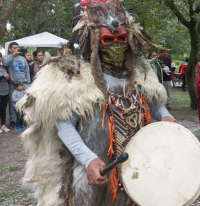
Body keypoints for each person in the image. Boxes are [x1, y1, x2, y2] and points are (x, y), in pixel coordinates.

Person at [17, 0, 177, 205]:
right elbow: (64, 125)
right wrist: (88, 159)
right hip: (97, 171)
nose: (117, 45)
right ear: (93, 40)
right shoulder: (75, 76)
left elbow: (153, 103)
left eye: (121, 38)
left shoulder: (141, 72)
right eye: (109, 40)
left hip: (140, 165)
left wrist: (165, 115)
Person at [2, 42, 30, 128]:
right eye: (14, 48)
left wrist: (28, 83)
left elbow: (26, 71)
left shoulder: (22, 59)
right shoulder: (6, 57)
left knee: (26, 102)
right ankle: (13, 121)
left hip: (24, 83)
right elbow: (6, 64)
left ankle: (25, 120)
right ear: (10, 49)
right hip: (12, 84)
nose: (17, 49)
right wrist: (13, 55)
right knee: (12, 103)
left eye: (18, 47)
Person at [0, 52, 10, 133]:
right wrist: (3, 76)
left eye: (0, 57)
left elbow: (8, 77)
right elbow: (4, 76)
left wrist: (8, 77)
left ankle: (3, 125)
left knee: (3, 108)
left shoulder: (4, 67)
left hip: (5, 90)